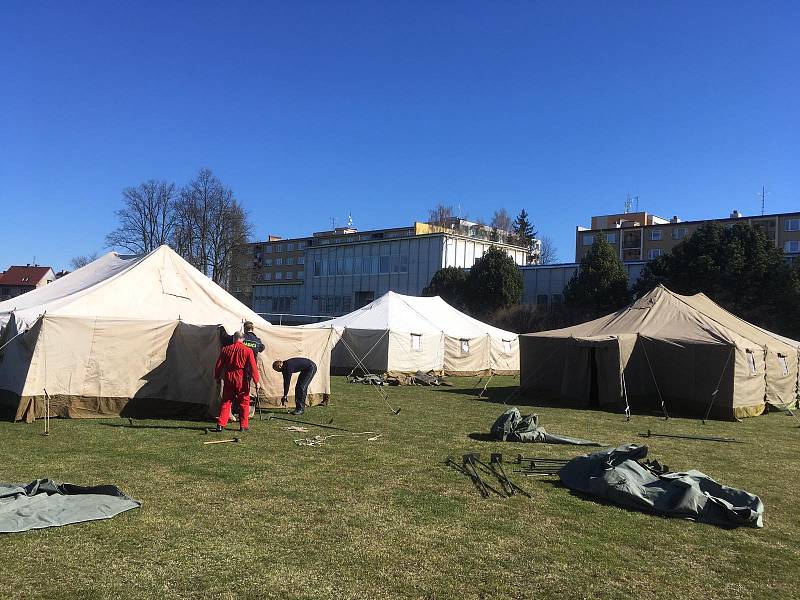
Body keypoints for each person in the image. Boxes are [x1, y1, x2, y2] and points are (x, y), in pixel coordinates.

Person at [214, 331, 259, 432]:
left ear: (234, 338)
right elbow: (253, 367)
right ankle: (243, 425)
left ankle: (220, 424)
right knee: (244, 401)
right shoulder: (247, 350)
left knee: (226, 400)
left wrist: (217, 377)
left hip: (229, 376)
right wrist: (256, 381)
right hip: (241, 377)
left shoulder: (226, 349)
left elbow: (219, 365)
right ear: (243, 339)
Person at [236, 320, 265, 419]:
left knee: (236, 389)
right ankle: (245, 411)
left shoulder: (242, 338)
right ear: (253, 328)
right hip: (251, 368)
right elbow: (262, 348)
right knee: (246, 390)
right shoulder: (257, 340)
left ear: (244, 328)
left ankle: (236, 408)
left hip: (239, 366)